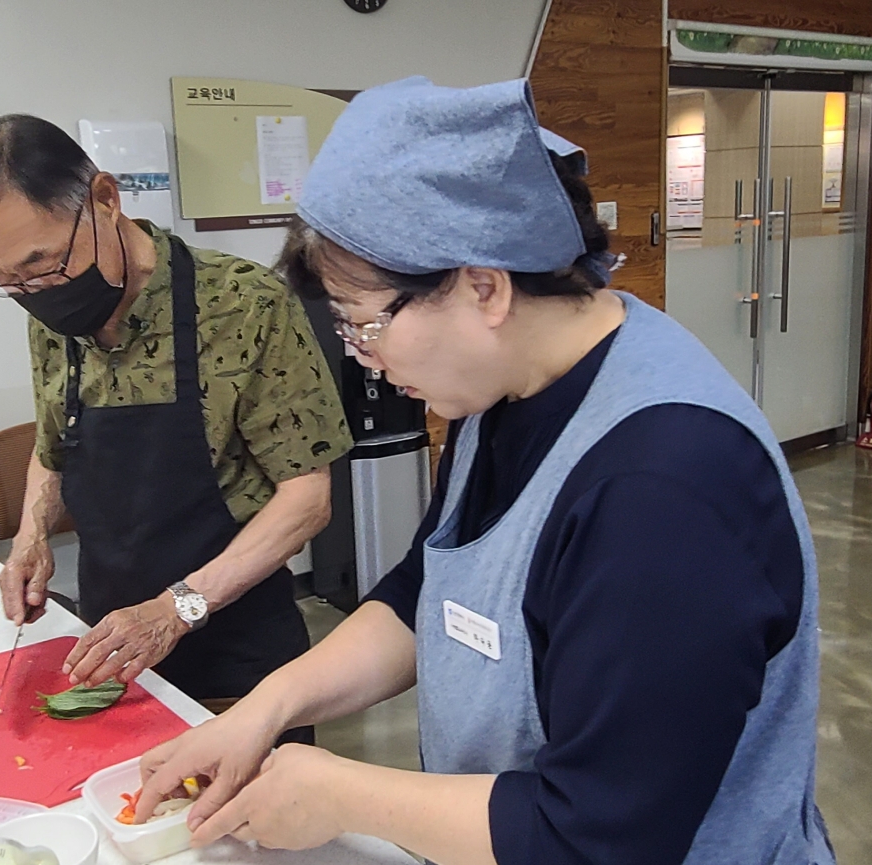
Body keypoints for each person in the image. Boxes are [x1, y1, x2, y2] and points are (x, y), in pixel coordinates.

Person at [136, 77, 834, 864]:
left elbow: (600, 836)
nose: (363, 360)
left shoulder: (665, 488)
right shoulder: (501, 389)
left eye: (363, 325)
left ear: (483, 287)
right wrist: (267, 706)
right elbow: (425, 591)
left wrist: (341, 793)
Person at [0, 115, 353, 735]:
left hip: (236, 653)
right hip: (113, 643)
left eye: (43, 263)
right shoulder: (49, 316)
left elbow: (307, 497)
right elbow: (53, 447)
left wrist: (176, 609)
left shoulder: (243, 304)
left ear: (105, 199)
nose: (34, 292)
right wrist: (30, 538)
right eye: (3, 280)